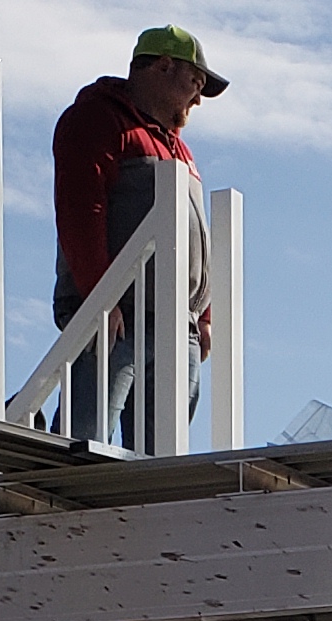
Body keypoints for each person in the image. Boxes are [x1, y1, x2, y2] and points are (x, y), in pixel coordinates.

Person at [49, 25, 220, 444]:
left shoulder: (177, 147)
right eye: (195, 82)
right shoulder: (98, 118)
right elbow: (81, 211)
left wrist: (204, 317)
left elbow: (194, 235)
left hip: (179, 322)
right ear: (164, 67)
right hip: (119, 314)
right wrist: (101, 299)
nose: (198, 99)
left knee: (161, 456)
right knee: (84, 440)